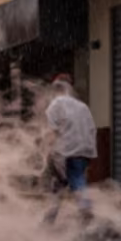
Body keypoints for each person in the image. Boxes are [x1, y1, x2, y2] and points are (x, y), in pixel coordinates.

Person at [42, 74, 97, 225]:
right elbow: (92, 129)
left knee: (74, 178)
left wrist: (49, 153)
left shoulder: (55, 105)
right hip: (86, 149)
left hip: (67, 151)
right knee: (60, 184)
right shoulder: (82, 106)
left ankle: (85, 208)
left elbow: (52, 133)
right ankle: (49, 219)